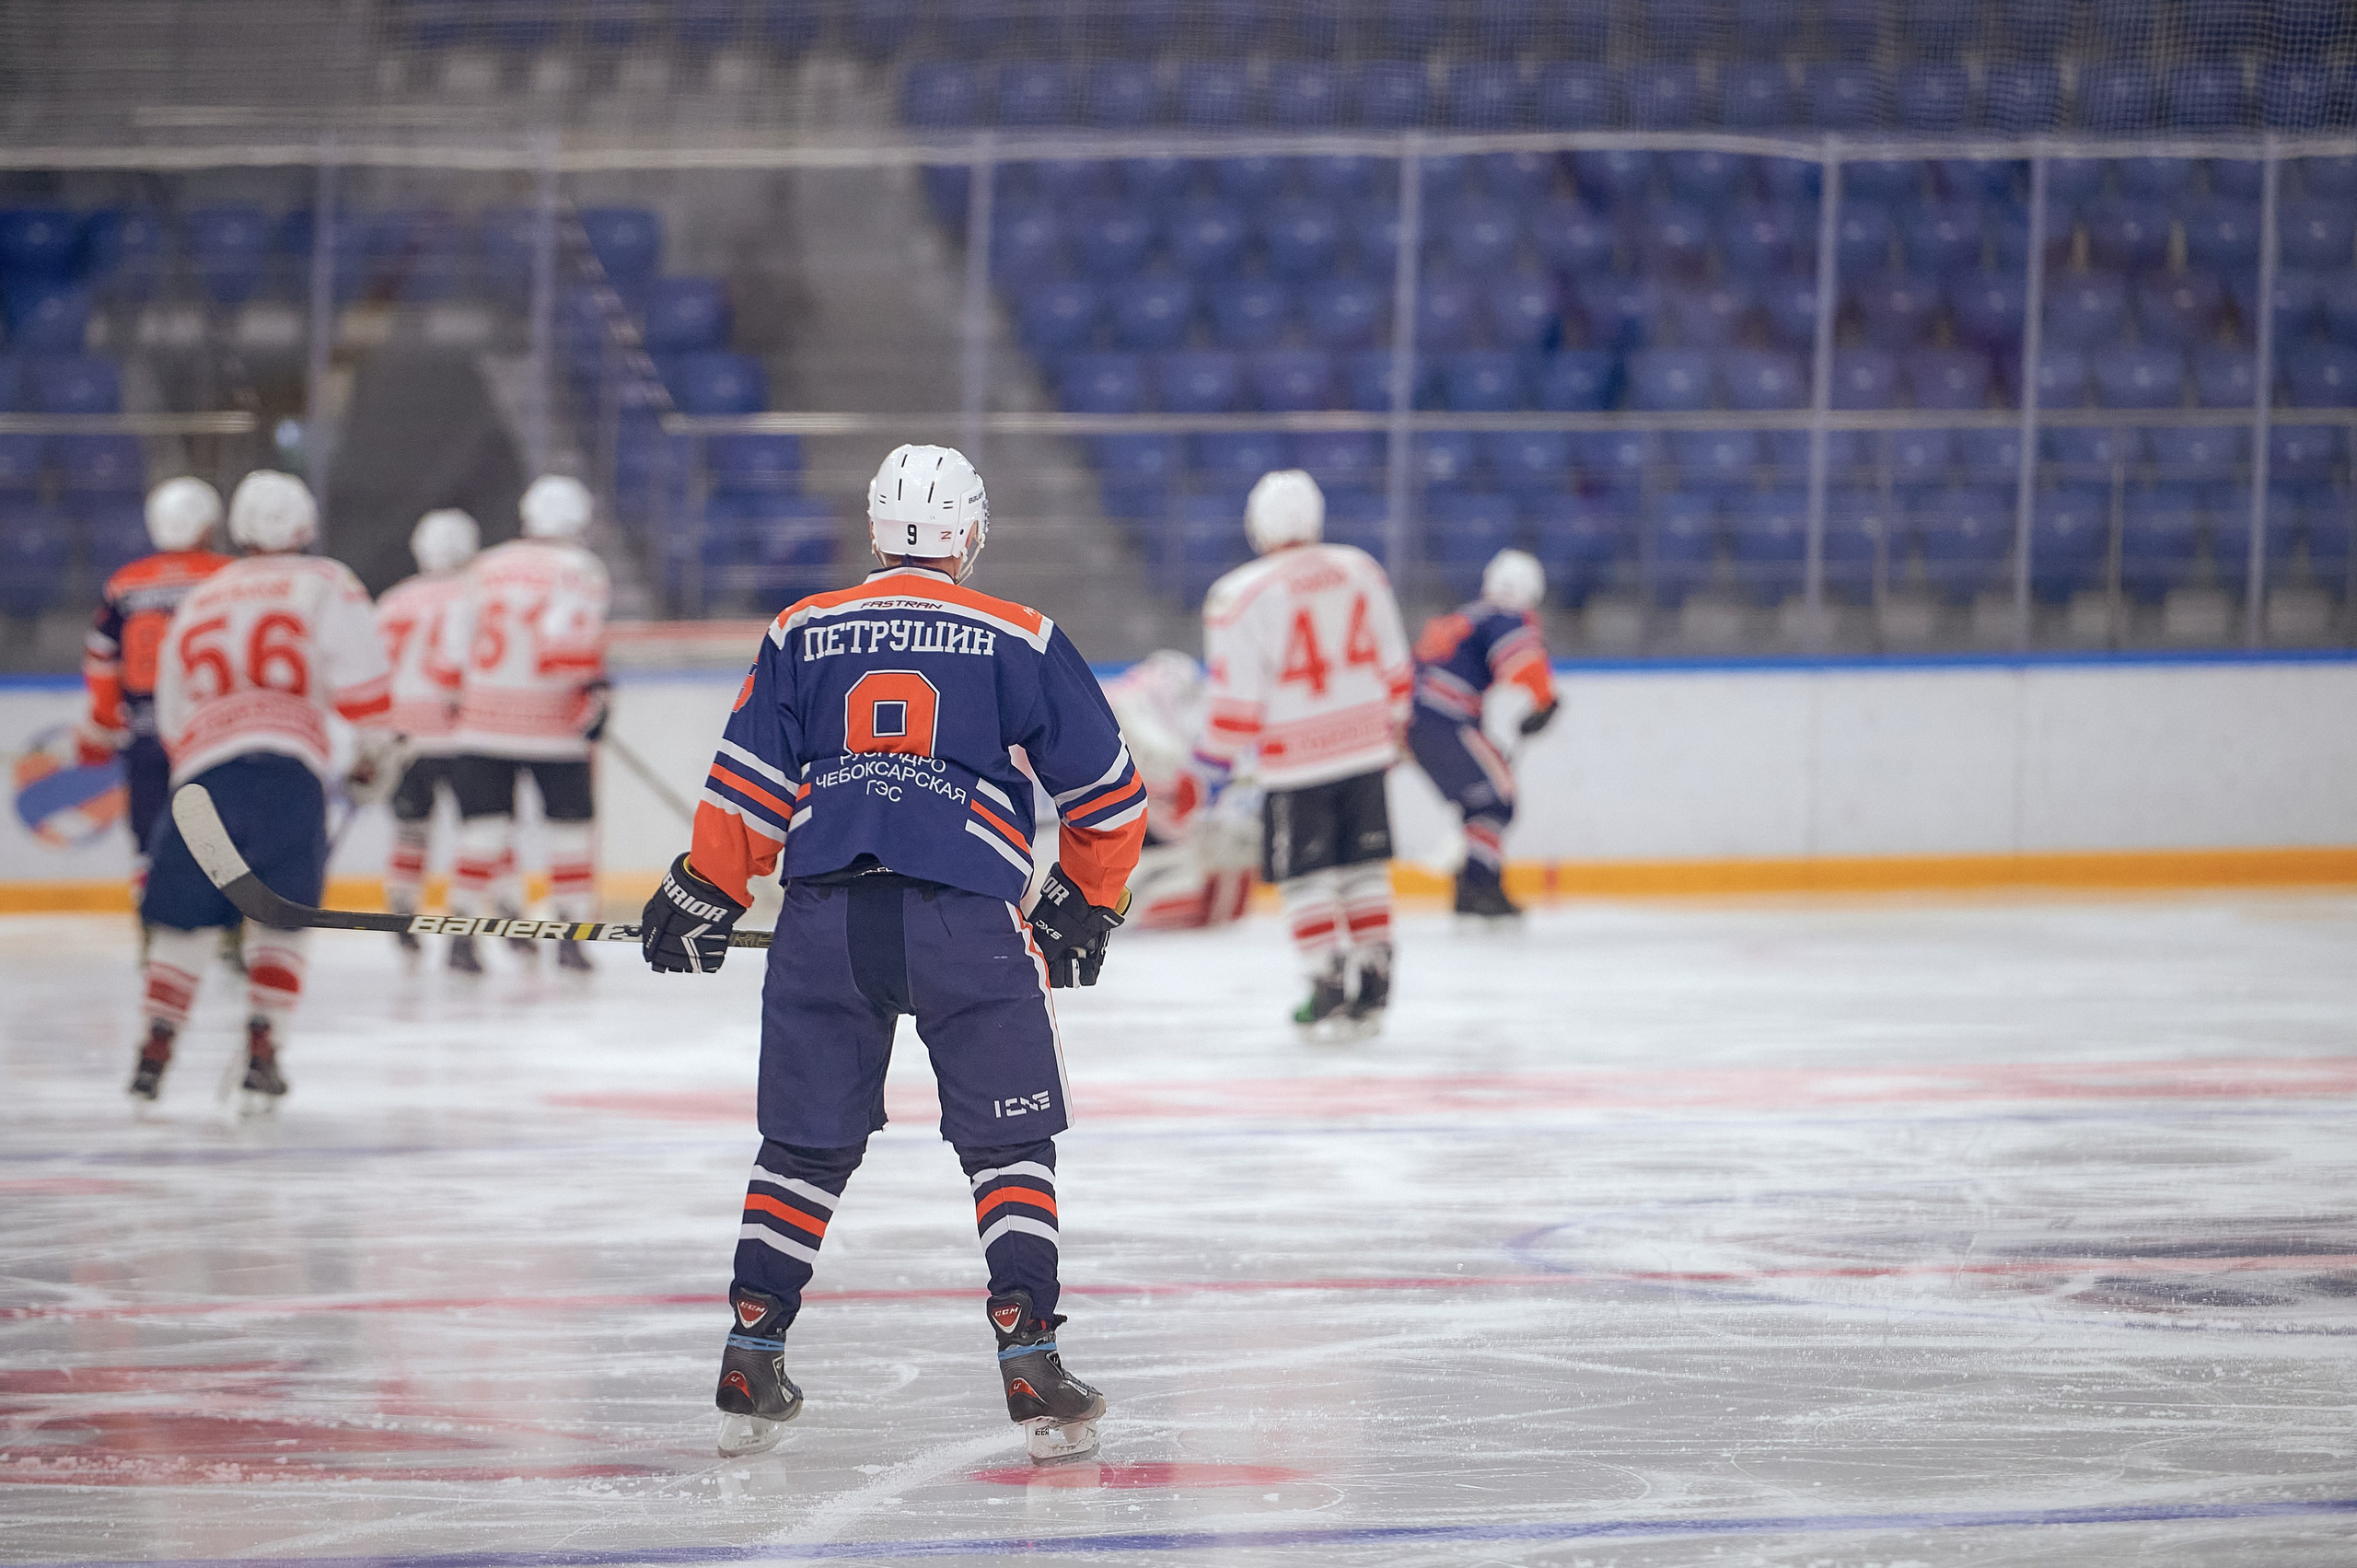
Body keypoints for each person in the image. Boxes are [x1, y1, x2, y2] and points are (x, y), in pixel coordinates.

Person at [636, 443, 1144, 1465]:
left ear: (874, 530)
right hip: (963, 921)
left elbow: (749, 782)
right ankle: (1029, 1353)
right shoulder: (1021, 633)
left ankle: (752, 1344)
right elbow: (1109, 795)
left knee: (804, 1147)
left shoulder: (801, 628)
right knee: (1007, 1146)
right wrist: (1082, 902)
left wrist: (705, 887)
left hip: (825, 919)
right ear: (971, 534)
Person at [130, 471, 395, 1111]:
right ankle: (262, 1048)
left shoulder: (202, 597)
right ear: (304, 526)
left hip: (202, 775)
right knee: (282, 918)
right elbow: (365, 689)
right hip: (286, 770)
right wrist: (372, 757)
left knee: (182, 923)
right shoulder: (328, 582)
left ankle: (154, 1050)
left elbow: (172, 715)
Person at [1193, 469, 1411, 1041]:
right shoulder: (1362, 569)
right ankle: (1375, 970)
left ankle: (1327, 978)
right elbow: (1396, 670)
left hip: (1295, 762)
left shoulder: (1237, 595)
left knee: (1305, 878)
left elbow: (1235, 709)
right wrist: (1395, 730)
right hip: (1366, 748)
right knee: (1364, 868)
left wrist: (1210, 766)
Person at [429, 475, 610, 974]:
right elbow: (570, 650)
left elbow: (450, 653)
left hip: (482, 725)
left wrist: (455, 701)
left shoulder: (483, 567)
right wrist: (595, 697)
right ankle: (571, 938)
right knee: (570, 834)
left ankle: (461, 939)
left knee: (479, 834)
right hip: (555, 729)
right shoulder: (581, 569)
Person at [76, 478, 234, 912]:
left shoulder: (126, 584)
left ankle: (152, 924)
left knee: (148, 838)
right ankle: (223, 931)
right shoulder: (231, 577)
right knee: (221, 835)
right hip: (215, 733)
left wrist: (106, 721)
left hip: (145, 734)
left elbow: (102, 658)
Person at [1406, 549, 1561, 922]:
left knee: (1482, 801)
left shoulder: (1464, 616)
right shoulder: (1507, 616)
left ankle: (1472, 883)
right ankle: (1479, 886)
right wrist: (1546, 702)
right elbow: (1523, 662)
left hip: (1416, 716)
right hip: (1445, 718)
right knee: (1496, 799)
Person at [375, 508, 481, 955]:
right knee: (480, 830)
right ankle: (471, 921)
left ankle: (402, 905)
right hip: (461, 732)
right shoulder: (476, 594)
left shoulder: (394, 600)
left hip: (404, 734)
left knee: (410, 828)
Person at [1102, 650, 1253, 929]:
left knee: (1225, 894)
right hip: (1129, 827)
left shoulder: (1125, 703)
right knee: (1224, 896)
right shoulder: (1132, 706)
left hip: (1130, 828)